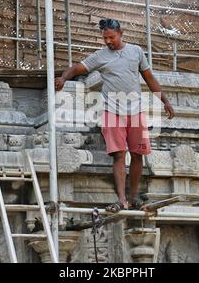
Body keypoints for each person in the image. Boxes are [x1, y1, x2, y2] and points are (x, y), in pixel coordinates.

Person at [55, 18, 174, 212]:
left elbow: (149, 78)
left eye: (111, 37)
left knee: (138, 155)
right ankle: (122, 200)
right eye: (105, 38)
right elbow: (76, 68)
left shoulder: (135, 52)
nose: (108, 41)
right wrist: (63, 77)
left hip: (136, 111)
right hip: (112, 112)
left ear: (121, 33)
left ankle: (133, 198)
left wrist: (165, 101)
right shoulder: (100, 56)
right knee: (119, 155)